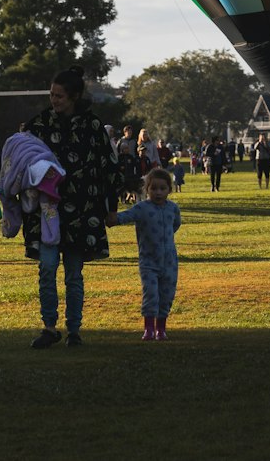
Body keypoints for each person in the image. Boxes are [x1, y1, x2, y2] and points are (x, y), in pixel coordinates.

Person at [25, 66, 120, 349]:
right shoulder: (39, 125)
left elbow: (108, 168)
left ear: (75, 96)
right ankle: (49, 327)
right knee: (47, 267)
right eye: (52, 95)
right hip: (47, 211)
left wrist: (111, 207)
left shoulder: (92, 127)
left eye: (60, 96)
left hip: (82, 210)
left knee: (74, 274)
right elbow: (20, 158)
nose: (54, 101)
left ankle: (74, 330)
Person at [116, 167, 182, 340]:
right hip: (149, 261)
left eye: (162, 188)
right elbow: (125, 217)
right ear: (147, 189)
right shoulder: (142, 209)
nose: (158, 192)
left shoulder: (172, 209)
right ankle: (149, 328)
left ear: (169, 189)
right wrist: (111, 218)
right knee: (151, 293)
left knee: (166, 294)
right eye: (154, 188)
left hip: (169, 261)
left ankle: (161, 328)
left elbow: (175, 225)